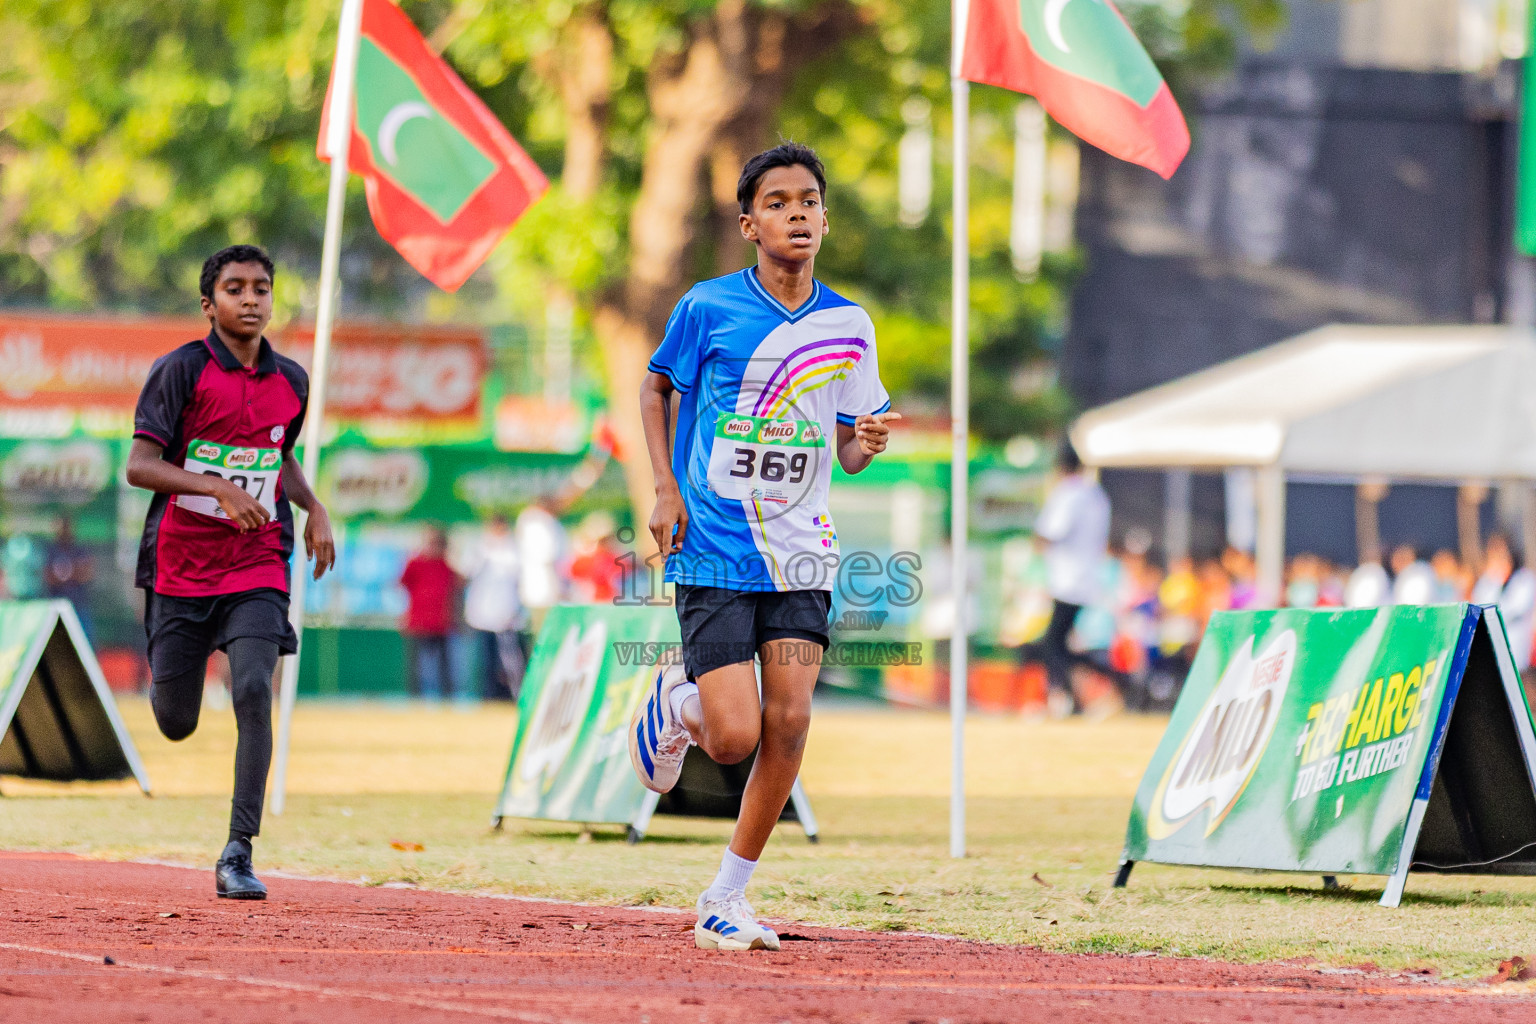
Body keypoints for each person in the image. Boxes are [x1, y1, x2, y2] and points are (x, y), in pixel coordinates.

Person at [629, 143, 896, 951]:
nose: (798, 214)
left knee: (791, 719)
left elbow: (847, 449)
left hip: (802, 551)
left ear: (825, 217)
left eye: (809, 201)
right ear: (749, 224)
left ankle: (726, 895)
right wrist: (665, 487)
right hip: (712, 543)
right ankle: (674, 707)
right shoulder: (708, 307)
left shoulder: (849, 325)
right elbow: (655, 386)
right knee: (735, 735)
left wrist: (867, 443)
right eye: (778, 203)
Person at [126, 244, 335, 901]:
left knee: (252, 689)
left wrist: (312, 505)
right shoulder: (181, 372)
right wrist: (215, 487)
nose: (251, 299)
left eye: (262, 288)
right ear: (208, 303)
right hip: (180, 568)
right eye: (236, 288)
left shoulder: (292, 381)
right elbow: (139, 465)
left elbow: (280, 456)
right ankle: (177, 674)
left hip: (256, 562)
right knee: (175, 720)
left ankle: (238, 852)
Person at [1032, 439, 1110, 717]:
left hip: (1067, 579)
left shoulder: (1068, 493)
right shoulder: (1096, 494)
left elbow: (1051, 532)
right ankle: (1078, 697)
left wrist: (1033, 541)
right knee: (1063, 642)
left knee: (1054, 642)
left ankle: (1062, 696)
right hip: (1089, 577)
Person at [462, 514, 526, 701]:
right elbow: (466, 571)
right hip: (481, 614)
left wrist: (515, 610)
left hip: (506, 614)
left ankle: (514, 694)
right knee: (485, 659)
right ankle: (488, 695)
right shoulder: (478, 548)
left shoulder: (514, 549)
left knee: (509, 659)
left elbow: (518, 579)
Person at [399, 525, 460, 699]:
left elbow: (456, 590)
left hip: (441, 623)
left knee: (444, 666)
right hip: (418, 622)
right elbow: (403, 584)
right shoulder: (415, 563)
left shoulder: (446, 566)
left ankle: (447, 698)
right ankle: (415, 698)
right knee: (416, 666)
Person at [43, 517, 95, 637]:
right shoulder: (51, 551)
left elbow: (86, 574)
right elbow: (48, 577)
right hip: (56, 607)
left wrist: (64, 575)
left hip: (78, 605)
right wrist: (72, 574)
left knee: (84, 639)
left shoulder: (79, 550)